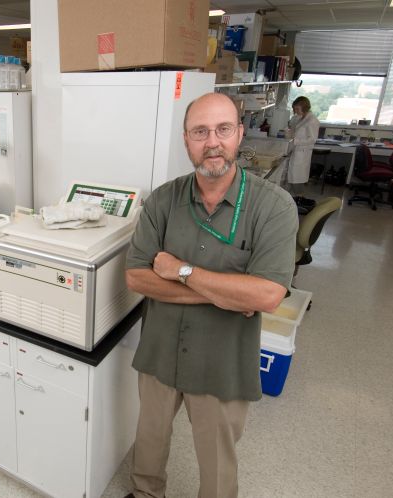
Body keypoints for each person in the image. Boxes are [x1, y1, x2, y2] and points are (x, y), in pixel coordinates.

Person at [124, 92, 298, 498]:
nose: (212, 142)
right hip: (160, 349)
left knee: (217, 461)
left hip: (223, 360)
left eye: (223, 129)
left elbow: (268, 295)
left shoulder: (273, 207)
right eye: (200, 132)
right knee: (148, 443)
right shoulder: (164, 200)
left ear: (239, 134)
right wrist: (227, 293)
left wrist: (181, 271)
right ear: (186, 140)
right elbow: (136, 278)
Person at [283, 96, 320, 194]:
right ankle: (293, 199)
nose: (296, 111)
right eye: (294, 108)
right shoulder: (299, 117)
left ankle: (299, 200)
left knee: (297, 180)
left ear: (305, 107)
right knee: (292, 179)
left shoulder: (312, 120)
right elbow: (294, 128)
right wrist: (289, 133)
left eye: (297, 109)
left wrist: (296, 140)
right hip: (295, 151)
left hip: (302, 153)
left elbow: (312, 139)